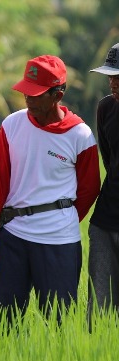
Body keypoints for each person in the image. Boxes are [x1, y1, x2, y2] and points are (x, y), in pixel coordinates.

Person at [0, 55, 100, 324]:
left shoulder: (80, 135)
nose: (28, 99)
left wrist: (59, 219)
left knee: (58, 323)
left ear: (58, 94)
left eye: (36, 94)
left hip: (59, 242)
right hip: (14, 238)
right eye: (25, 92)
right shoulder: (12, 125)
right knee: (5, 322)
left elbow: (89, 189)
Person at [88, 43, 119, 317]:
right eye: (110, 76)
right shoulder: (105, 108)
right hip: (105, 221)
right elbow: (110, 162)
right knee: (99, 310)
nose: (113, 83)